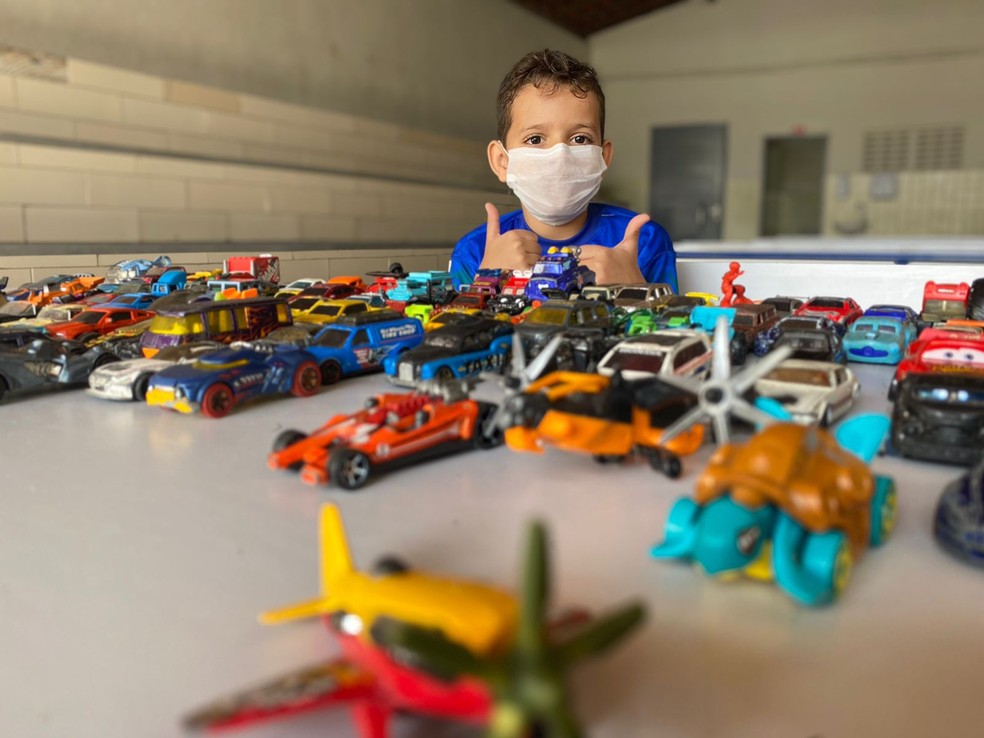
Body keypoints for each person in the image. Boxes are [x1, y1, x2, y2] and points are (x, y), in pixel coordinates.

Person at [450, 50, 677, 292]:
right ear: (502, 162)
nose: (560, 156)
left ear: (603, 157)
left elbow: (673, 325)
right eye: (535, 139)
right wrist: (487, 282)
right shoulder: (476, 251)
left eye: (580, 139)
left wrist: (635, 289)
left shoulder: (643, 242)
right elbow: (458, 327)